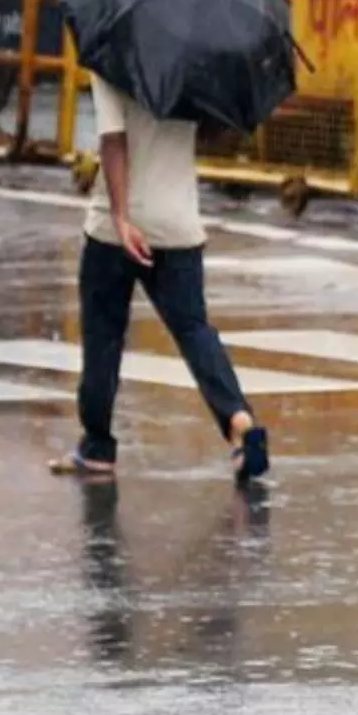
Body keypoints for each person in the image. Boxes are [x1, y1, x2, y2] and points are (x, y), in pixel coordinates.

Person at [48, 76, 269, 480]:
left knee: (103, 337)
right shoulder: (189, 65)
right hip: (179, 222)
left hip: (114, 230)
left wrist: (121, 216)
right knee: (193, 329)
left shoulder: (110, 64)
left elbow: (114, 141)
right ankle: (239, 421)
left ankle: (97, 447)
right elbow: (209, 135)